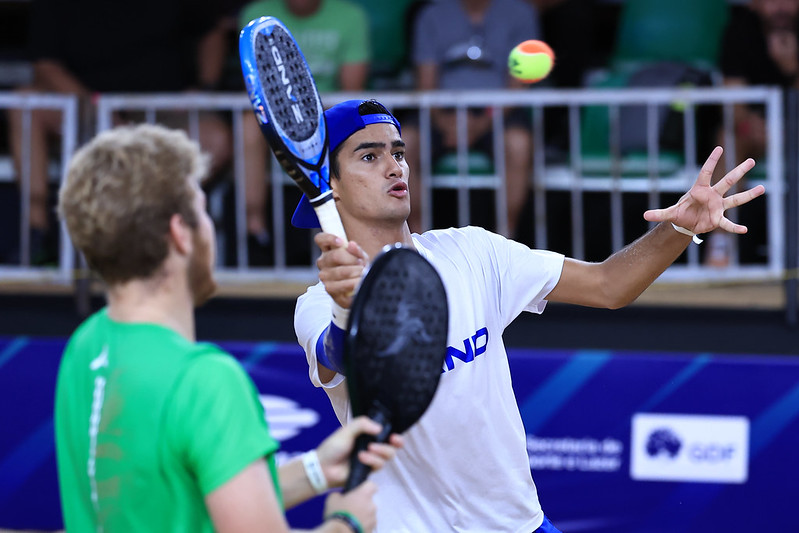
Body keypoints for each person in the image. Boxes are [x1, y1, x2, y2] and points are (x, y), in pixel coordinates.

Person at [292, 99, 765, 531]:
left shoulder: (473, 251)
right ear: (329, 188)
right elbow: (338, 354)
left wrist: (681, 227)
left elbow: (608, 286)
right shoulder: (317, 304)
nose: (395, 167)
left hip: (521, 524)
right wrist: (346, 306)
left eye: (398, 152)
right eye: (369, 157)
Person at [54, 123, 402, 532]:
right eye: (202, 210)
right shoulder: (205, 380)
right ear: (179, 234)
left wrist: (315, 470)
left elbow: (188, 502)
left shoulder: (88, 343)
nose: (211, 227)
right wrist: (348, 523)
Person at [6, 0, 232, 265]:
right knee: (25, 103)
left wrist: (203, 87)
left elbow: (212, 30)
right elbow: (45, 65)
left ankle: (151, 233)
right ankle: (38, 234)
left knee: (215, 138)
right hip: (87, 110)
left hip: (164, 112)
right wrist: (99, 110)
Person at [237, 0, 370, 265]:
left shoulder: (351, 16)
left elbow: (349, 95)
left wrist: (309, 119)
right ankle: (255, 228)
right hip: (277, 116)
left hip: (329, 113)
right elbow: (257, 89)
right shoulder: (255, 15)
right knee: (247, 125)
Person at [403, 0, 541, 237]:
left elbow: (517, 85)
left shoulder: (520, 13)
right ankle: (416, 240)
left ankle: (505, 240)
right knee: (405, 141)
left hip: (497, 111)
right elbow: (426, 83)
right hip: (441, 111)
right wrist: (444, 122)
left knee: (518, 144)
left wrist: (483, 123)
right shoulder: (432, 14)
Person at [707, 0, 799, 266]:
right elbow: (733, 103)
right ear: (755, 4)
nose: (781, 7)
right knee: (728, 139)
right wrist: (749, 125)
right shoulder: (740, 31)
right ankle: (721, 240)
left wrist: (791, 67)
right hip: (757, 131)